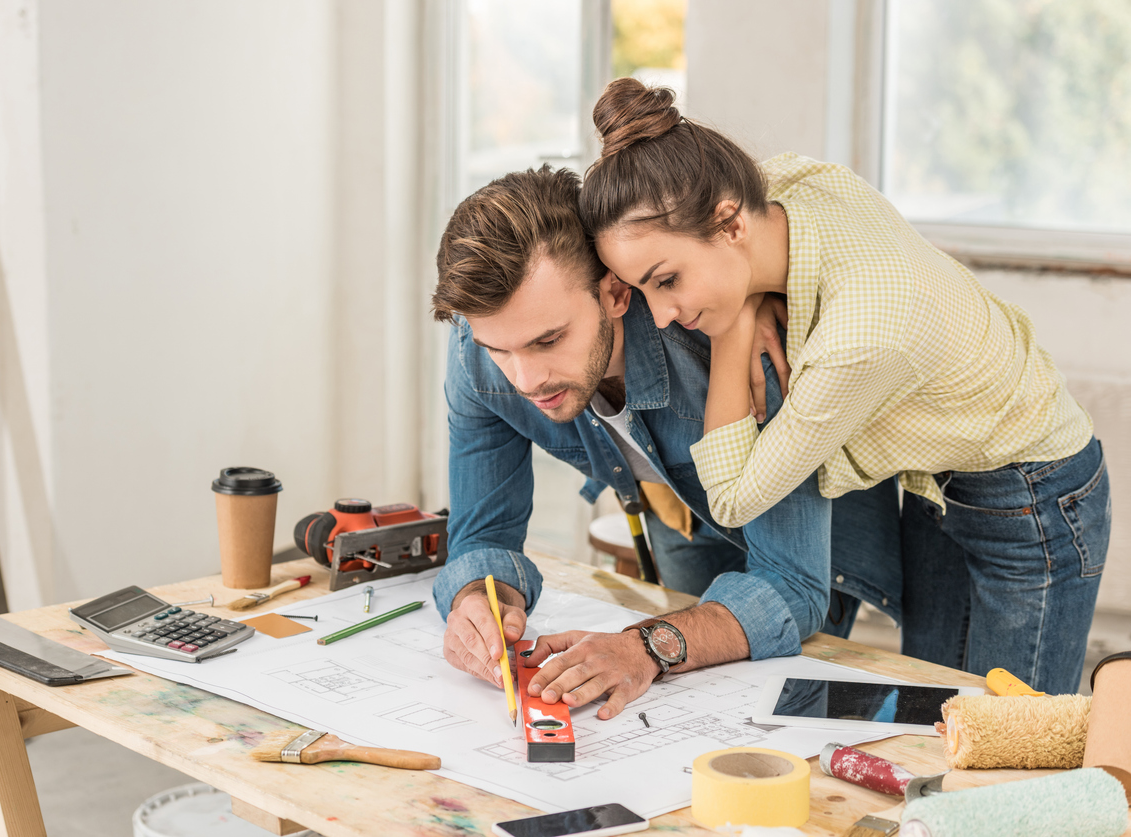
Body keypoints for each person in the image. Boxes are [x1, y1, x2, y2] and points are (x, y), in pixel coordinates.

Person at [575, 78, 1110, 695]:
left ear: (728, 225)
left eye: (666, 280)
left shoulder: (862, 336)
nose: (660, 317)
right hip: (941, 484)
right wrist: (750, 289)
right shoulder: (798, 186)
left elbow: (730, 498)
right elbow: (770, 182)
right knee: (940, 720)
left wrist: (739, 318)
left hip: (1036, 498)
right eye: (640, 290)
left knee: (1014, 751)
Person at [430, 164, 902, 720]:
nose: (525, 380)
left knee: (776, 717)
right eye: (499, 349)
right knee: (696, 712)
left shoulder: (735, 349)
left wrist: (644, 646)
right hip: (675, 506)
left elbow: (793, 587)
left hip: (813, 525)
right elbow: (481, 535)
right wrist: (478, 601)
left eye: (549, 340)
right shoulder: (478, 347)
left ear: (613, 292)